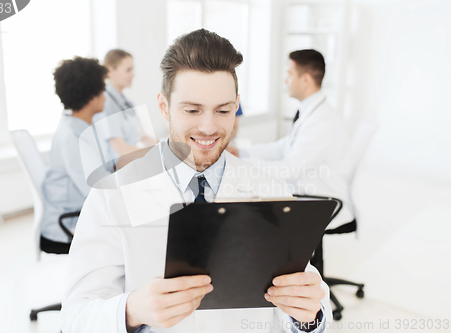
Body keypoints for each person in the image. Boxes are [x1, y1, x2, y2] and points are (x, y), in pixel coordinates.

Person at [61, 30, 332, 333]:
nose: (208, 127)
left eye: (223, 110)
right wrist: (131, 310)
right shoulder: (111, 196)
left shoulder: (270, 191)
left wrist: (307, 316)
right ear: (164, 106)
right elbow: (75, 316)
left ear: (236, 105)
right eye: (192, 110)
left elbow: (309, 297)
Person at [227, 49, 353, 229]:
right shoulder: (311, 111)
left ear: (306, 80)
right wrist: (242, 152)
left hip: (321, 200)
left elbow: (288, 171)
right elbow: (283, 147)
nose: (286, 80)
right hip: (307, 191)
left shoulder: (321, 122)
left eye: (289, 74)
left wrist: (243, 164)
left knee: (249, 206)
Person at [40, 57, 109, 250]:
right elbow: (96, 192)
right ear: (92, 96)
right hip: (65, 228)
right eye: (103, 89)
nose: (105, 95)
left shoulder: (78, 125)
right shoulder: (74, 136)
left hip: (78, 215)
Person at [93, 49, 157, 169]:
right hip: (115, 171)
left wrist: (166, 147)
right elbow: (120, 148)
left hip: (129, 166)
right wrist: (158, 155)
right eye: (128, 70)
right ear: (110, 71)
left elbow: (142, 136)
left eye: (133, 69)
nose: (133, 74)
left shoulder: (127, 103)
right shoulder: (105, 103)